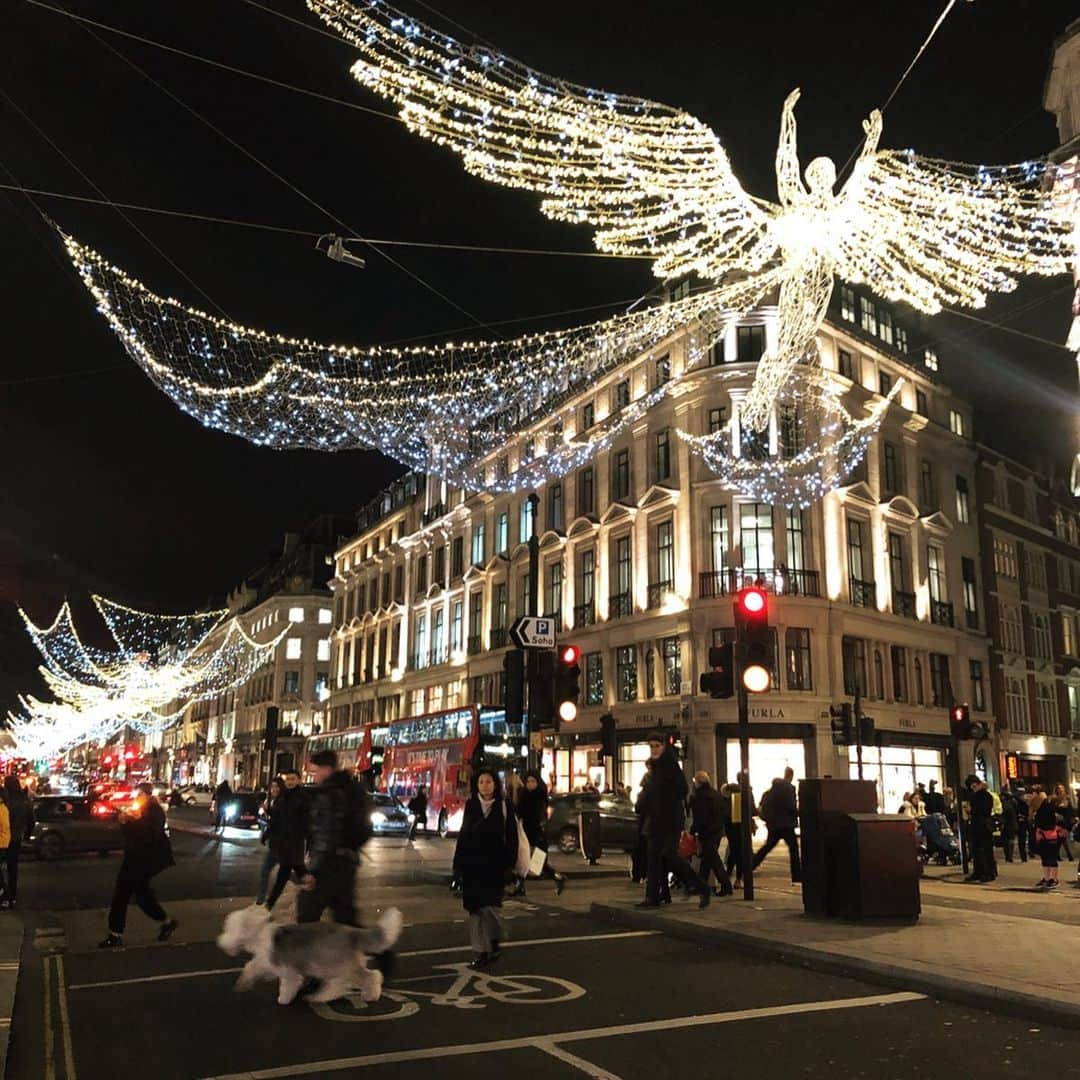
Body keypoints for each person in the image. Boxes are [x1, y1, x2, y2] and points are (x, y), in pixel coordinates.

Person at [452, 768, 519, 968]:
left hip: (495, 866)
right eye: (481, 782)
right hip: (472, 866)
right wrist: (457, 867)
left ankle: (495, 941)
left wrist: (510, 865)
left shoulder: (505, 806)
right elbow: (463, 837)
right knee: (474, 911)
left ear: (495, 784)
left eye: (489, 781)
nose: (485, 785)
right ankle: (480, 951)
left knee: (491, 908)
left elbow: (512, 838)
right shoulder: (471, 805)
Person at [100, 783, 178, 948]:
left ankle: (115, 934)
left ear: (147, 795)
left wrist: (129, 822)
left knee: (122, 894)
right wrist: (125, 820)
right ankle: (167, 922)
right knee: (143, 896)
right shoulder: (145, 810)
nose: (137, 797)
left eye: (139, 794)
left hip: (142, 860)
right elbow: (133, 834)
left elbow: (146, 833)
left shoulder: (154, 811)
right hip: (138, 858)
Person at [639, 733, 709, 909]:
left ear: (664, 747)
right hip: (656, 820)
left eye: (657, 745)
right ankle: (652, 897)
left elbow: (682, 789)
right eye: (651, 746)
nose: (654, 749)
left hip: (670, 820)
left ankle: (700, 886)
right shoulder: (654, 768)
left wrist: (663, 800)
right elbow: (650, 793)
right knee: (653, 858)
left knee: (669, 855)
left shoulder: (670, 766)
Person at [299, 750, 368, 926]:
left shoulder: (329, 794)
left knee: (307, 914)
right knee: (346, 920)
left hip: (327, 865)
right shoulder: (351, 789)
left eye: (315, 772)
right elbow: (364, 827)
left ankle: (308, 953)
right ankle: (377, 951)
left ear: (327, 769)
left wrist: (313, 870)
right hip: (347, 863)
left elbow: (325, 834)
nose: (313, 777)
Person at [516, 770, 566, 896]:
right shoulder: (524, 794)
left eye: (533, 781)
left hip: (535, 834)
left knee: (537, 863)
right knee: (522, 860)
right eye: (528, 781)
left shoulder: (539, 797)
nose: (530, 784)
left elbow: (537, 816)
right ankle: (520, 886)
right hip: (525, 832)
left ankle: (557, 878)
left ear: (538, 782)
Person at [752, 768, 802, 883]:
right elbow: (791, 806)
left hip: (773, 825)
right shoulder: (789, 789)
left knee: (767, 847)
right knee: (794, 849)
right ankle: (797, 874)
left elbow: (762, 805)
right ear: (791, 776)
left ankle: (751, 864)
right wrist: (798, 813)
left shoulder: (770, 791)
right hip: (786, 825)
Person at [688, 771, 733, 897]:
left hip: (707, 832)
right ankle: (701, 885)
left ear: (698, 782)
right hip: (716, 831)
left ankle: (726, 885)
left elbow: (700, 818)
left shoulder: (700, 796)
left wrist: (692, 831)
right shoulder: (715, 794)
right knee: (707, 860)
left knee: (713, 860)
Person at [2, 776, 29, 910]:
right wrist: (27, 835)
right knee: (13, 868)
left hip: (3, 839)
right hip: (16, 839)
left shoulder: (6, 801)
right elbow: (31, 820)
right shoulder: (24, 800)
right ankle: (12, 896)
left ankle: (5, 894)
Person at [965, 774, 997, 883]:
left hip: (983, 825)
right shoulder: (979, 796)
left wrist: (971, 809)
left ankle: (988, 872)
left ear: (979, 784)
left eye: (974, 786)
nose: (973, 789)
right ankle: (980, 872)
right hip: (979, 825)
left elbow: (983, 810)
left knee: (985, 850)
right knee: (977, 850)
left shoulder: (984, 796)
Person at [1031, 787, 1060, 889]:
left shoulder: (1046, 806)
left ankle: (1052, 878)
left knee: (1050, 857)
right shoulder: (1043, 805)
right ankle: (1048, 878)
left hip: (1048, 835)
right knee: (1046, 857)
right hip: (1046, 835)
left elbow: (1048, 821)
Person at [1053, 784, 1074, 860]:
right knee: (1062, 838)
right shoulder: (1055, 799)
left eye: (1062, 788)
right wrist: (1056, 814)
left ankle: (1057, 855)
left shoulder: (1067, 798)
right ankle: (1069, 856)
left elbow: (1070, 809)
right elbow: (1053, 809)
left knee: (1061, 839)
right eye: (1059, 788)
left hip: (1065, 820)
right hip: (1058, 821)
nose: (1061, 789)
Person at [999, 787, 1019, 864]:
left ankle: (1008, 856)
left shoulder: (1005, 804)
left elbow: (1003, 814)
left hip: (1007, 824)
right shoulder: (1013, 802)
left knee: (1006, 841)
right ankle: (1010, 856)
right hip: (1013, 823)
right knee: (1011, 840)